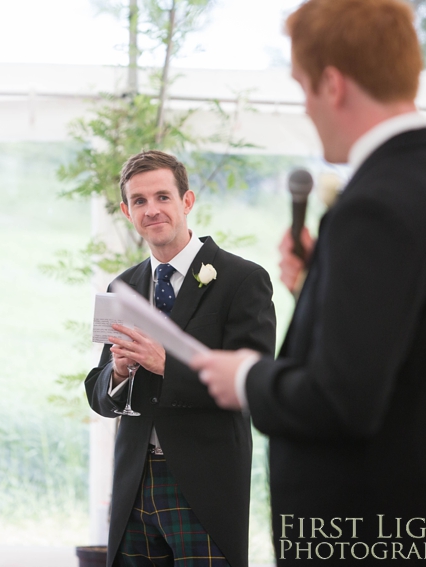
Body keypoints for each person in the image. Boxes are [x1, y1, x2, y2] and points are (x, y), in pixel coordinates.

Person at [192, 0, 426, 562]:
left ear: (332, 83)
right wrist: (322, 288)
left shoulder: (374, 207)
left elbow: (342, 400)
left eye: (302, 86)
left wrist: (246, 377)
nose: (304, 106)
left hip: (372, 534)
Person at [85, 150, 276, 567]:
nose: (151, 210)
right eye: (139, 201)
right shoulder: (123, 288)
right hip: (134, 482)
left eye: (162, 197)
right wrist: (117, 373)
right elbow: (97, 394)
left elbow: (254, 385)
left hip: (205, 485)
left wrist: (166, 366)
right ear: (126, 211)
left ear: (186, 202)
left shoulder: (243, 281)